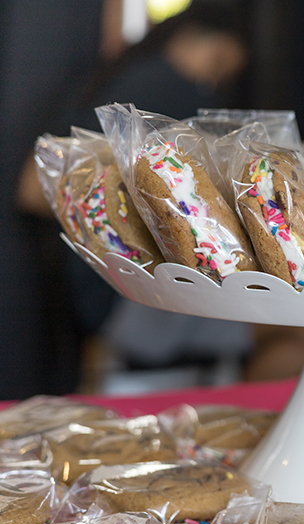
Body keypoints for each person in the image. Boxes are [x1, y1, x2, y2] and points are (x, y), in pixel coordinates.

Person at [11, 0, 252, 399]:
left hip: (86, 286)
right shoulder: (169, 88)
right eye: (218, 63)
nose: (214, 80)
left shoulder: (127, 75)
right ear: (196, 42)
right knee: (285, 329)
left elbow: (36, 186)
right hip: (126, 293)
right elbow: (36, 189)